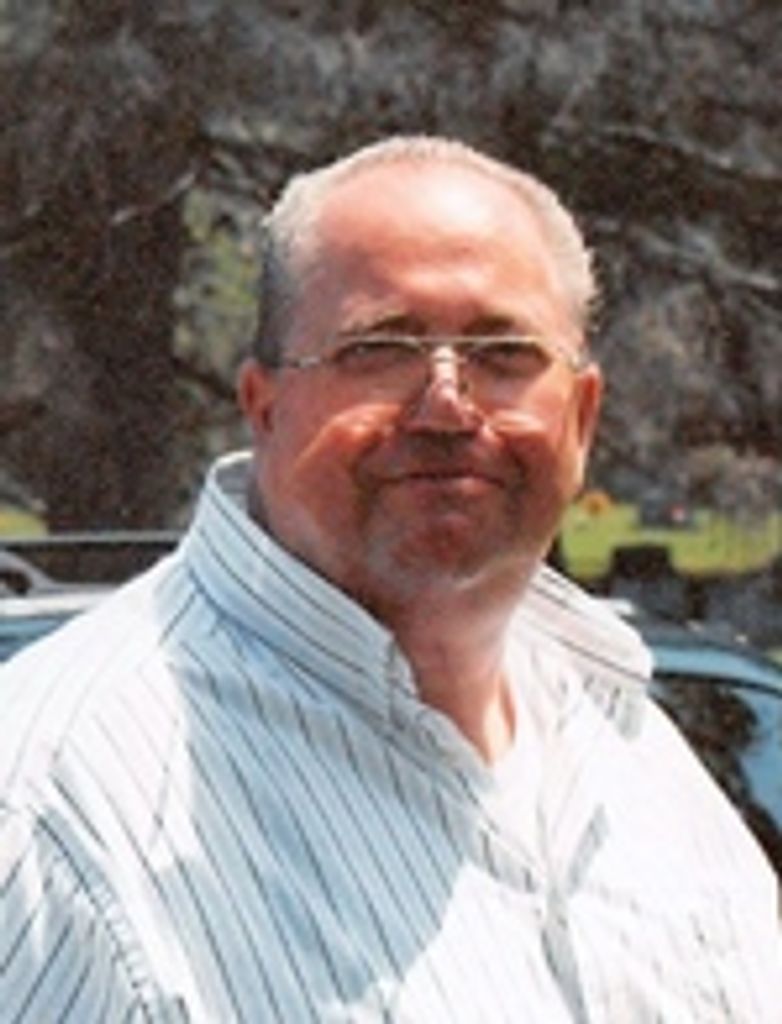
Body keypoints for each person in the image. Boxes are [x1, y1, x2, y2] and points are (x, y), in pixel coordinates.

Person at [1, 136, 779, 1023]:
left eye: (505, 353)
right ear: (264, 406)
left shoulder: (639, 762)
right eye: (380, 348)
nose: (447, 406)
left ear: (583, 414)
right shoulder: (52, 816)